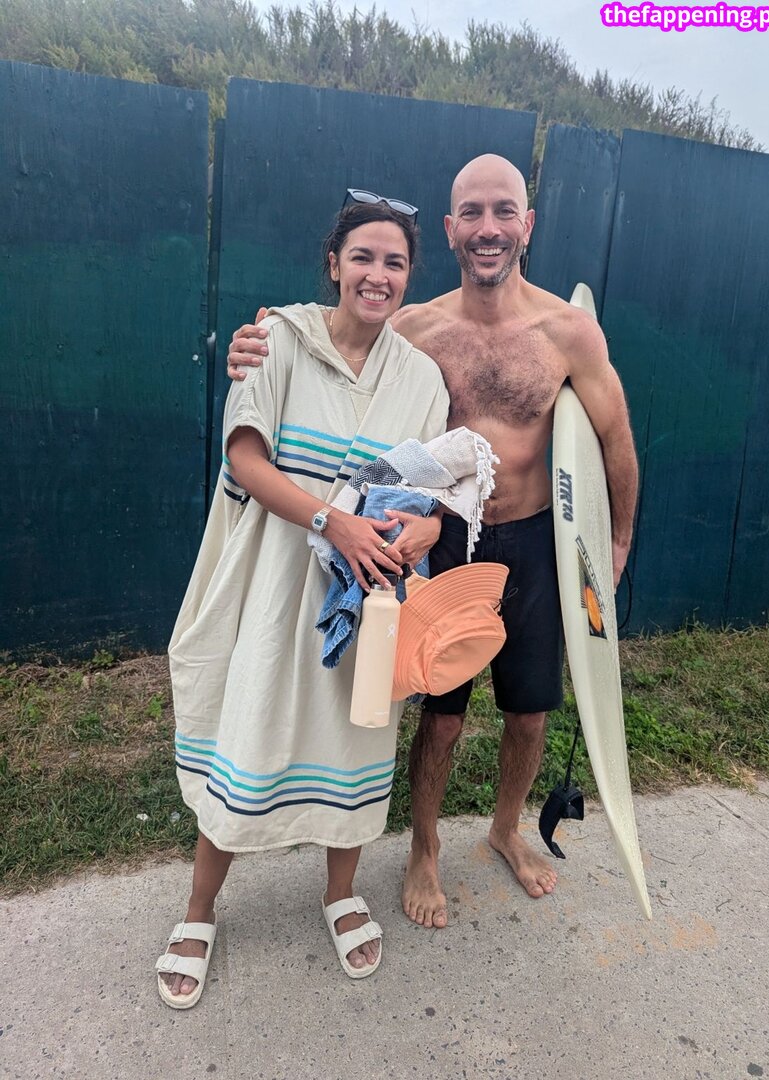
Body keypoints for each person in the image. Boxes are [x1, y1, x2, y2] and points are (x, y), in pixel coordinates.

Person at [227, 154, 638, 933]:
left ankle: (504, 828)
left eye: (503, 211)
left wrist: (613, 544)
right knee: (441, 717)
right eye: (471, 213)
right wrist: (254, 347)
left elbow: (613, 438)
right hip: (443, 540)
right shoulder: (415, 328)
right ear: (449, 230)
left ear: (527, 225)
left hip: (534, 545)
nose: (488, 228)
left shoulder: (568, 331)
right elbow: (329, 344)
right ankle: (423, 846)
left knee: (527, 714)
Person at [157, 195, 450, 1007]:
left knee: (356, 740)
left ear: (408, 275)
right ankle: (198, 909)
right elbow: (246, 460)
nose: (377, 275)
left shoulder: (421, 379)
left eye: (394, 262)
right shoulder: (279, 339)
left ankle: (340, 894)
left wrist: (423, 530)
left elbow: (425, 494)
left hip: (360, 600)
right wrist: (332, 520)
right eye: (363, 257)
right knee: (245, 730)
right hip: (273, 585)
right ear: (333, 263)